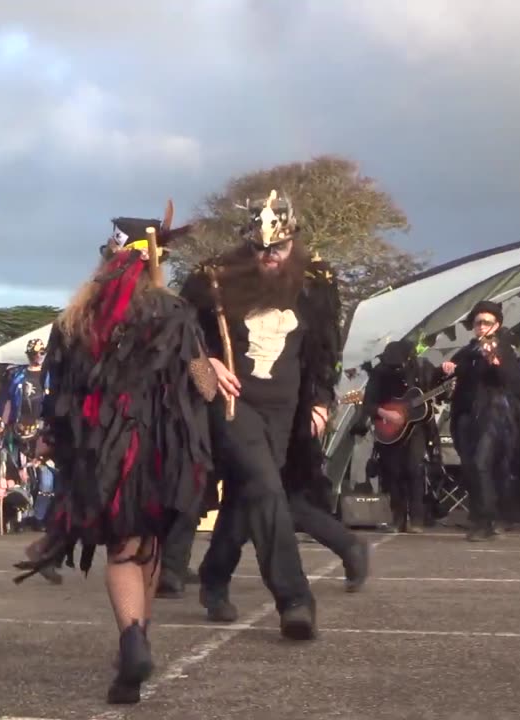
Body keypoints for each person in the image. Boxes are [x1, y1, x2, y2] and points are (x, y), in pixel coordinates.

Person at [15, 212, 214, 704]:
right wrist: (213, 366)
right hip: (161, 452)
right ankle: (136, 638)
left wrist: (53, 440)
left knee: (122, 548)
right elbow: (204, 386)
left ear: (108, 260)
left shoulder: (74, 320)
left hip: (101, 453)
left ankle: (132, 640)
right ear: (154, 264)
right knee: (143, 545)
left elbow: (59, 394)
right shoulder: (175, 313)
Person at [181, 190, 340, 640]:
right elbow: (176, 334)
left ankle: (214, 577)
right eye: (261, 249)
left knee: (248, 497)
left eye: (279, 248)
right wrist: (204, 363)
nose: (269, 257)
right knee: (267, 490)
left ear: (294, 242)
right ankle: (295, 600)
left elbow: (325, 347)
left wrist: (322, 400)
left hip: (285, 410)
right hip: (231, 404)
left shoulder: (317, 280)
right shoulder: (212, 278)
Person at [440, 300, 520, 541]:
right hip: (465, 415)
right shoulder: (468, 350)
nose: (481, 327)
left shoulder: (504, 348)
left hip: (493, 416)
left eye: (486, 323)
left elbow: (510, 380)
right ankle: (483, 516)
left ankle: (487, 520)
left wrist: (496, 363)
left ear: (497, 324)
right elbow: (448, 373)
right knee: (470, 467)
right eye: (478, 323)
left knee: (482, 464)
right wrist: (448, 368)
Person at [354, 340, 445, 533]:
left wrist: (447, 373)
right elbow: (369, 403)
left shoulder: (421, 367)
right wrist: (386, 414)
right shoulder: (380, 372)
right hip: (389, 427)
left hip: (417, 427)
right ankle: (397, 517)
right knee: (392, 471)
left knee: (415, 468)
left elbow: (438, 382)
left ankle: (417, 518)